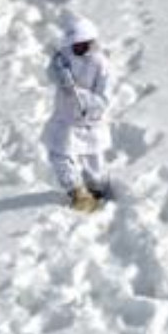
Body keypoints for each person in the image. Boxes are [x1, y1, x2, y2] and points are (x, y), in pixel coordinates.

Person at [44, 15, 117, 210]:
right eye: (74, 44)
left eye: (82, 44)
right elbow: (52, 71)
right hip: (65, 120)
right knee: (58, 155)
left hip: (89, 123)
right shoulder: (66, 55)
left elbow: (104, 101)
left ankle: (101, 197)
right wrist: (58, 72)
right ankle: (77, 193)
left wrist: (78, 93)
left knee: (94, 168)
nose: (77, 48)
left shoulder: (101, 65)